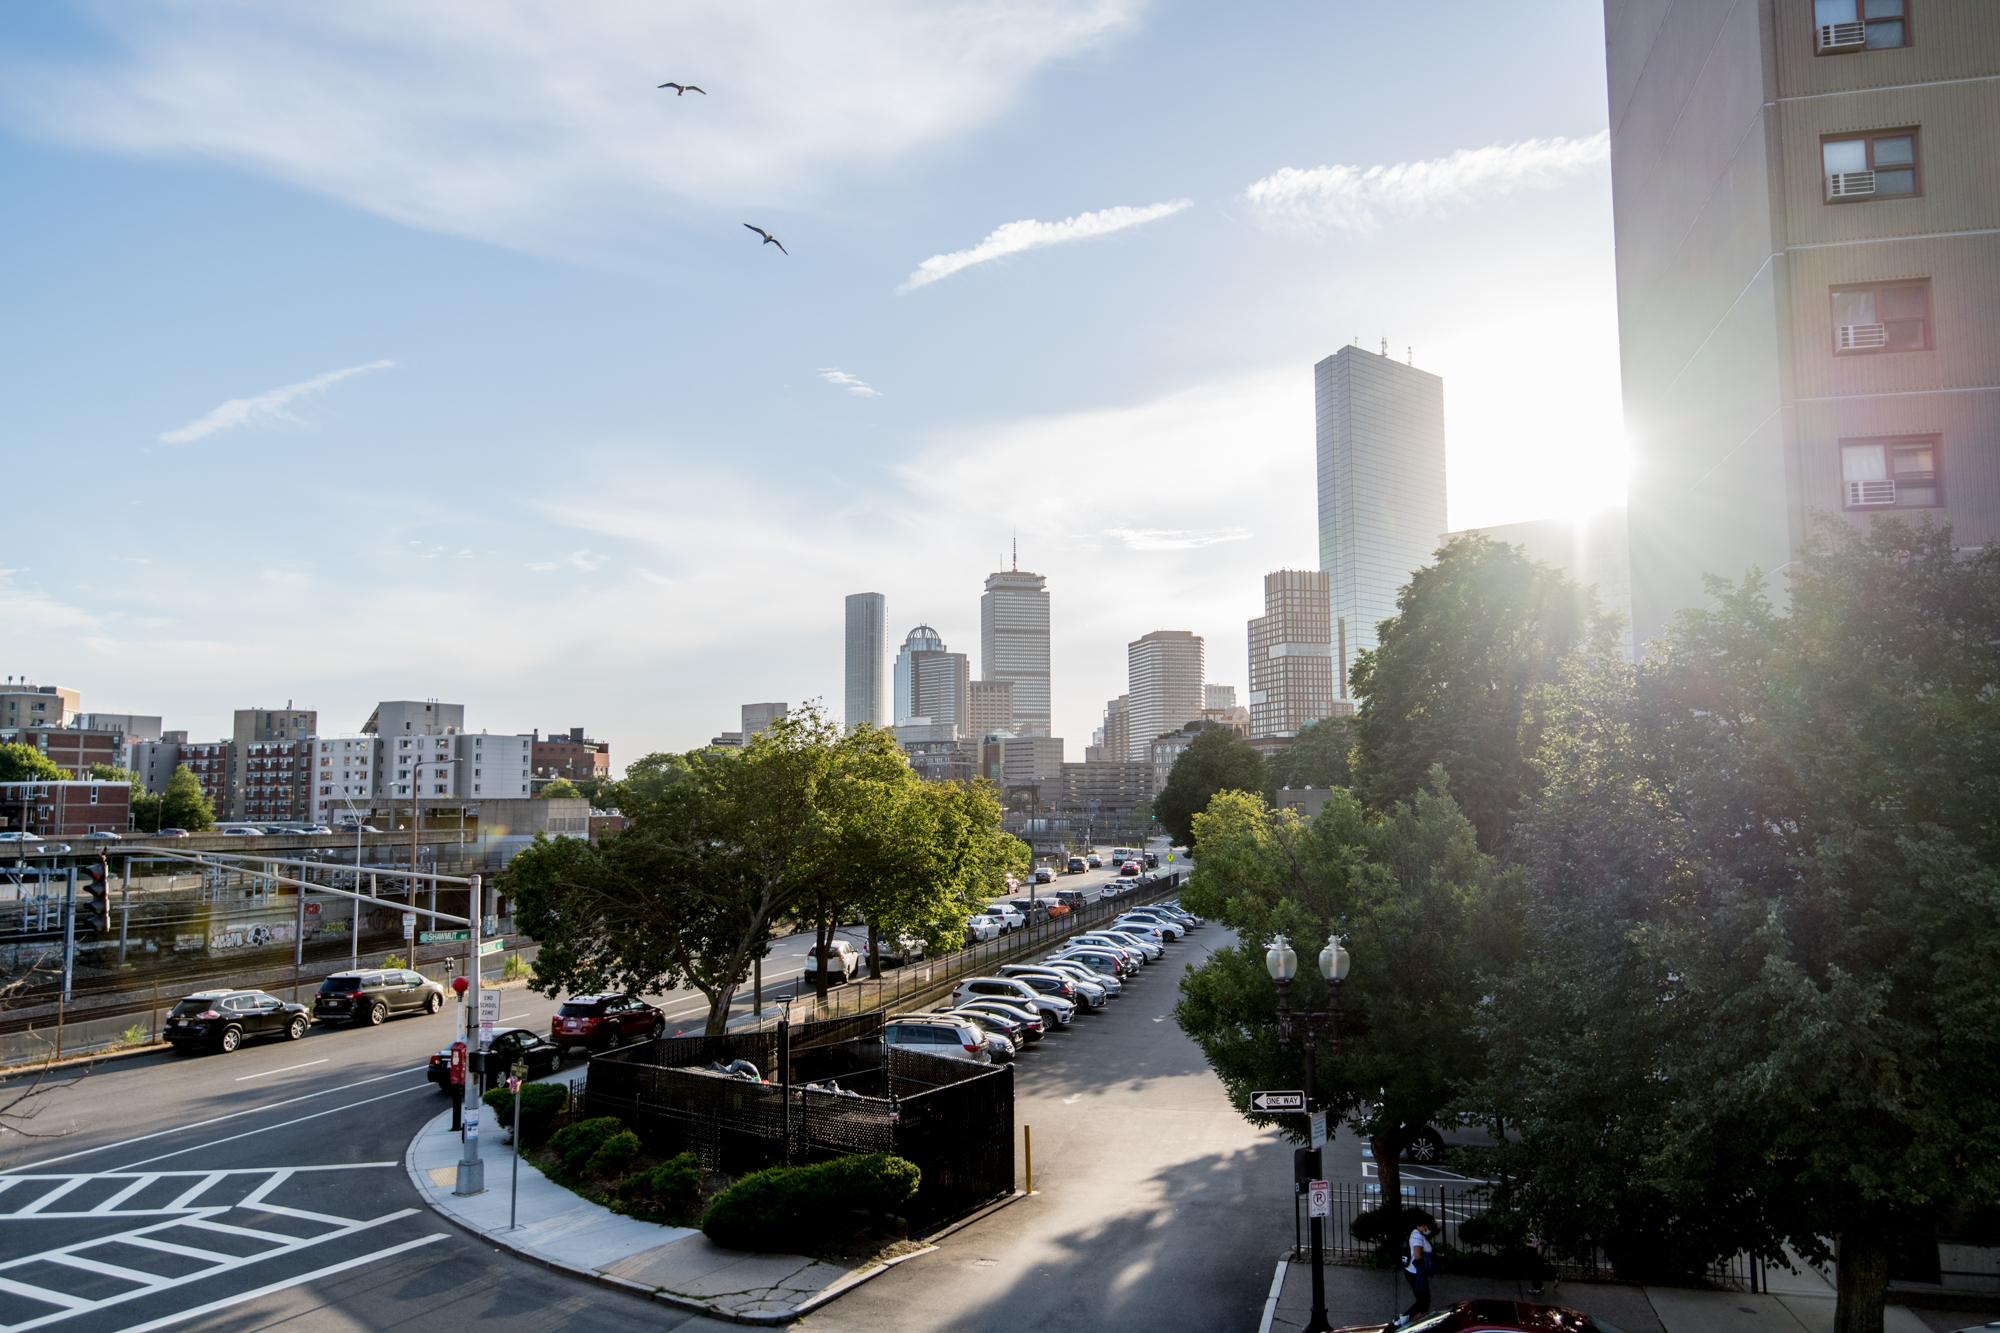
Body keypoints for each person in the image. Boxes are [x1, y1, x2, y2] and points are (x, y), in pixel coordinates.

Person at [1397, 1218, 1435, 1326]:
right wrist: (1431, 1257)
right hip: (1416, 1273)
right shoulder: (1417, 1237)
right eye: (1429, 1227)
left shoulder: (1417, 1234)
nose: (1430, 1230)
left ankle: (1423, 1320)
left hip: (1415, 1272)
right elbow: (1418, 1256)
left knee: (1424, 1299)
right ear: (1423, 1225)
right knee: (1424, 1299)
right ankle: (1405, 1317)